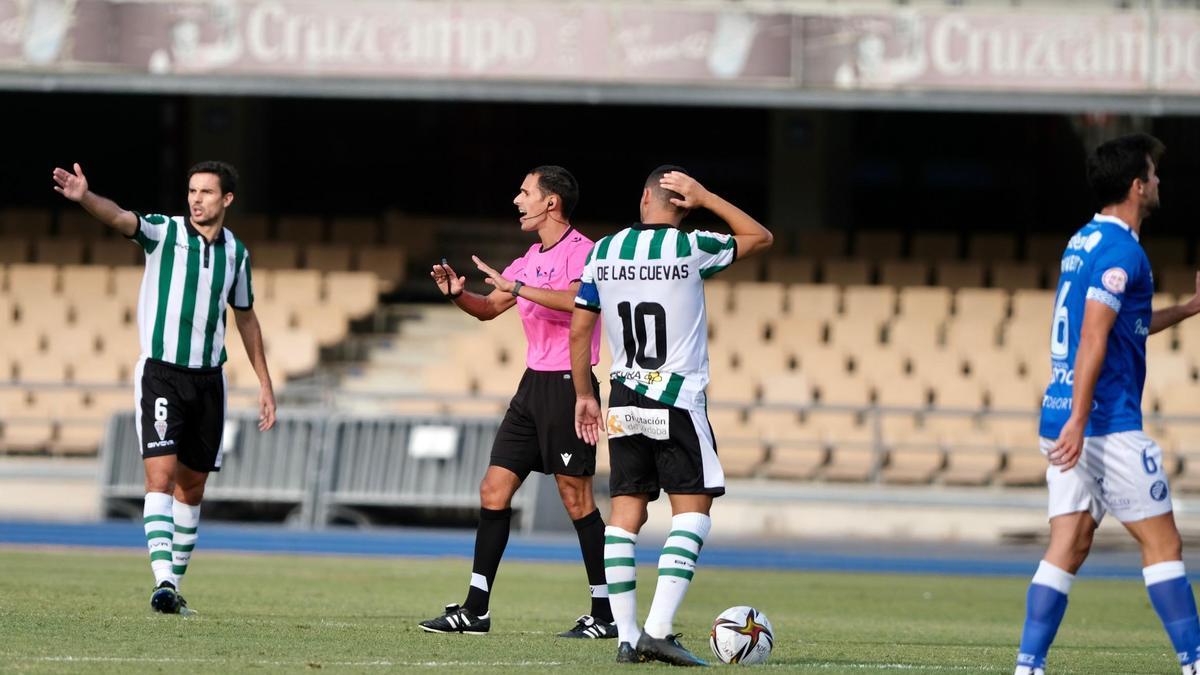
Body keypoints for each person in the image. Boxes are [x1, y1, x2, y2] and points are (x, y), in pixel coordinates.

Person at [52, 160, 277, 615]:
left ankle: (174, 585)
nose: (196, 199)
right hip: (161, 374)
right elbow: (119, 218)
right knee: (160, 476)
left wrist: (265, 384)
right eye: (191, 191)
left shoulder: (237, 254)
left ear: (226, 199)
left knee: (192, 489)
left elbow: (246, 317)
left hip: (209, 381)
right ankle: (164, 582)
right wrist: (86, 198)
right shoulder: (163, 233)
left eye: (206, 192)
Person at [570, 166, 773, 665]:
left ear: (644, 197)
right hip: (677, 398)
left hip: (623, 396)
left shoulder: (604, 251)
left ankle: (625, 636)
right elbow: (760, 236)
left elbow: (579, 332)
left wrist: (584, 394)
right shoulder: (690, 247)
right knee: (693, 511)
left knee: (625, 514)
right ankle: (657, 631)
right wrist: (707, 197)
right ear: (683, 204)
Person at [1015, 133, 1200, 675]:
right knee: (1163, 544)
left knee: (1069, 542)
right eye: (1155, 175)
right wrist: (1080, 417)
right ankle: (1195, 662)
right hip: (1103, 423)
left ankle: (1029, 666)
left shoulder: (1084, 242)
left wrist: (1188, 309)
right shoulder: (1124, 252)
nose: (1160, 182)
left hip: (1063, 415)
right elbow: (1094, 337)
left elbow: (1126, 329)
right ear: (1138, 186)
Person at [420, 165, 615, 639]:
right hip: (531, 388)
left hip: (572, 386)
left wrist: (519, 288)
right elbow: (489, 308)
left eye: (525, 192)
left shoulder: (585, 253)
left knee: (577, 499)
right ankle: (476, 610)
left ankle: (605, 614)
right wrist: (458, 294)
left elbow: (580, 302)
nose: (516, 200)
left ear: (551, 202)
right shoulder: (527, 257)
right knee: (493, 490)